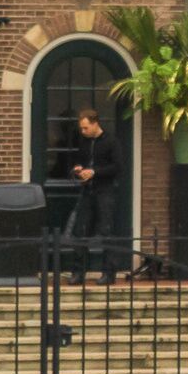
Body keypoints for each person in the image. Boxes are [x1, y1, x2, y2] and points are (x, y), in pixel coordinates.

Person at [60, 109, 123, 272]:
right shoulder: (84, 142)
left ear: (95, 124)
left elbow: (117, 167)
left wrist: (95, 172)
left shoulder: (111, 142)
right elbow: (79, 160)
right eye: (81, 128)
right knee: (81, 231)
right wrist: (78, 168)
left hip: (105, 191)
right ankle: (78, 272)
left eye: (86, 128)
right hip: (87, 192)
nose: (83, 131)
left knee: (106, 231)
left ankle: (108, 272)